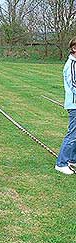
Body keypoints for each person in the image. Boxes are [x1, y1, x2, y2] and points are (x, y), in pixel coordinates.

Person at [55, 37, 76, 175]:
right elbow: (74, 85)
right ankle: (61, 163)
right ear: (74, 48)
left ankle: (72, 159)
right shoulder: (72, 64)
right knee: (72, 134)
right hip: (74, 104)